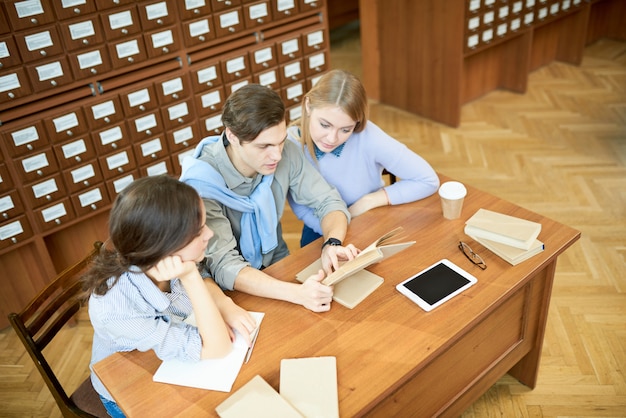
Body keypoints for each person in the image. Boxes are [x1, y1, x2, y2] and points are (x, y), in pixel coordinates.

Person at [82, 175, 257, 417]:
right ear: (163, 245)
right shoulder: (116, 310)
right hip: (128, 386)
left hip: (164, 358)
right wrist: (190, 277)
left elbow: (202, 271)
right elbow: (218, 348)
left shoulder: (162, 260)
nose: (209, 235)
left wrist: (224, 304)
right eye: (198, 232)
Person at [179, 84, 359, 313]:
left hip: (278, 265)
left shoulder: (285, 152)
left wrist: (332, 244)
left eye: (281, 141)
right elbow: (225, 265)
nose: (277, 155)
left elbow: (328, 202)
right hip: (231, 292)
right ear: (232, 136)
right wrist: (297, 294)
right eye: (264, 146)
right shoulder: (201, 186)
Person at [287, 69, 440, 246]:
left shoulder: (368, 136)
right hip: (319, 230)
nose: (332, 138)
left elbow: (428, 180)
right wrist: (336, 232)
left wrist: (369, 200)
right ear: (307, 105)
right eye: (325, 125)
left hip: (370, 219)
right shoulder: (289, 145)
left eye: (346, 129)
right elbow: (300, 207)